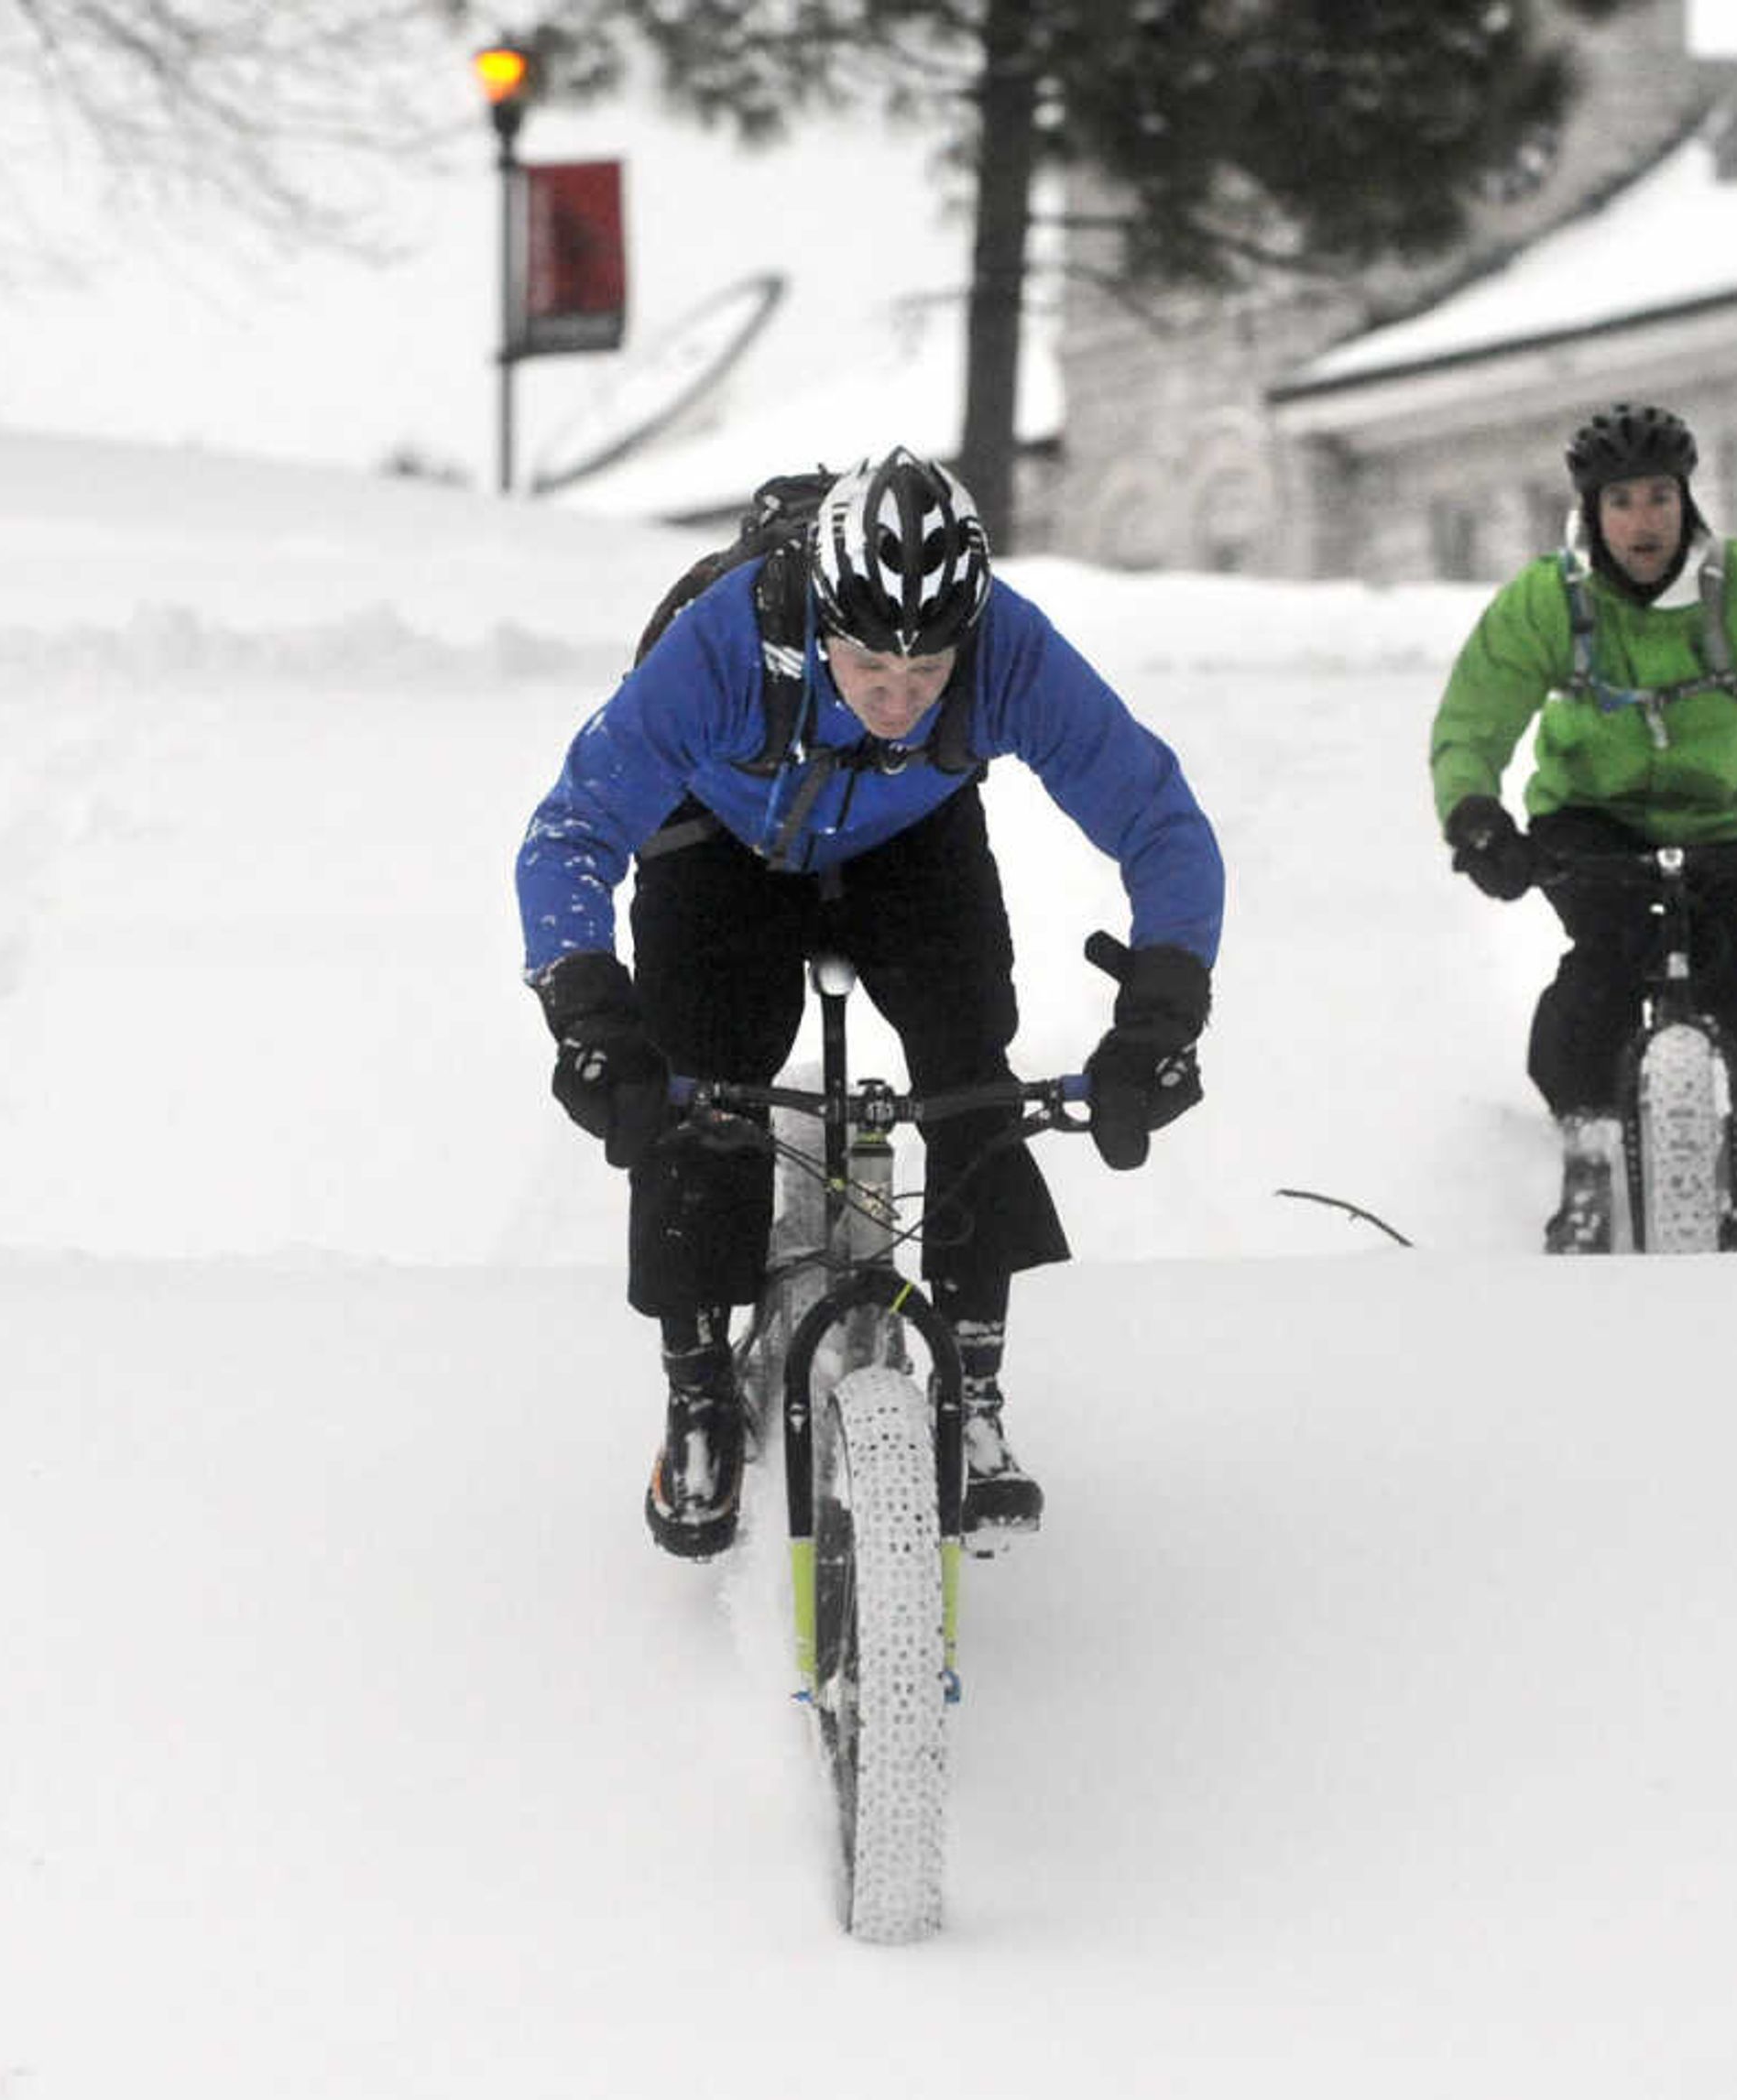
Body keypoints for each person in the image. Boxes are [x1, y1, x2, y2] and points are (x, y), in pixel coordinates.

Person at [517, 447, 1226, 1559]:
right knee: (702, 1074)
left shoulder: (1009, 647)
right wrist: (593, 1015)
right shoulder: (723, 639)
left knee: (971, 1066)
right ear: (818, 628)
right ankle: (698, 1380)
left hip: (909, 839)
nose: (897, 701)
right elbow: (570, 832)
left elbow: (1159, 819)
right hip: (722, 843)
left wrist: (1165, 1007)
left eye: (927, 674)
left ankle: (976, 1383)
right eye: (867, 671)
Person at [1427, 402, 1737, 1252]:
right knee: (1604, 961)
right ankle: (1587, 1149)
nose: (1642, 522)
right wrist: (1475, 816)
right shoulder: (1549, 602)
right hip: (1591, 820)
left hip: (1726, 825)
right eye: (1620, 503)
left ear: (1687, 501)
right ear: (1590, 514)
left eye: (1657, 498)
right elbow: (1474, 716)